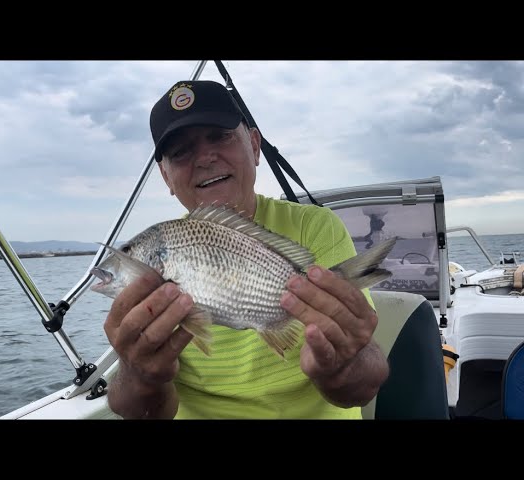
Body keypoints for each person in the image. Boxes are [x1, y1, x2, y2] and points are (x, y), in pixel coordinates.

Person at [103, 80, 390, 419]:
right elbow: (138, 411)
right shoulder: (164, 252)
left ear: (254, 146)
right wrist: (140, 375)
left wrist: (342, 365)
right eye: (181, 152)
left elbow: (364, 387)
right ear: (166, 177)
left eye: (220, 136)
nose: (206, 158)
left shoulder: (317, 227)